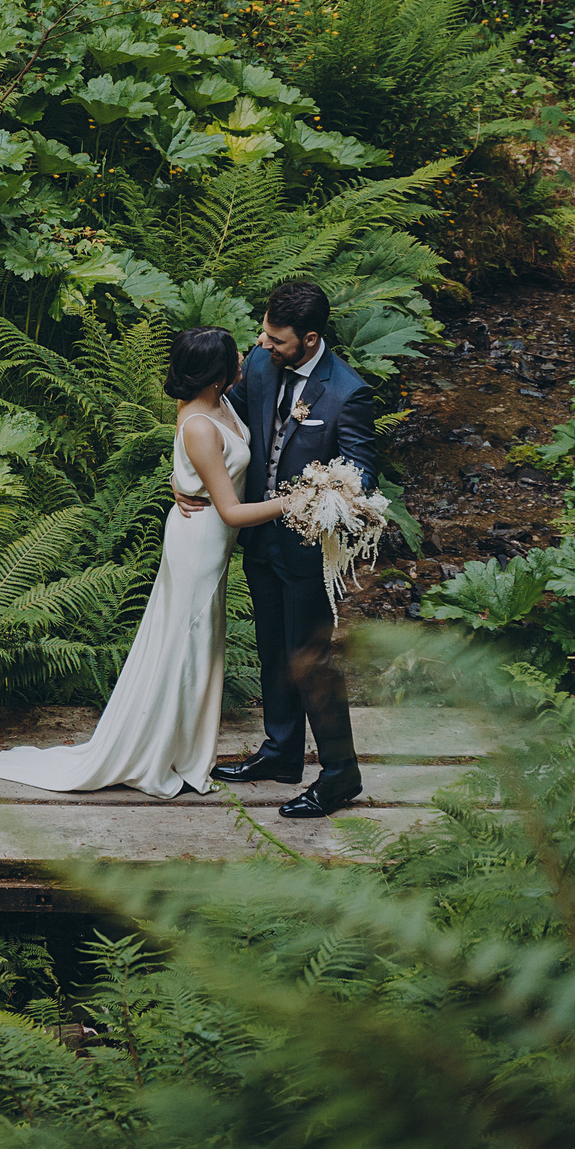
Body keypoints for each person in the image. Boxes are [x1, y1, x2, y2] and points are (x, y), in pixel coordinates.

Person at [0, 326, 299, 798]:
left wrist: (178, 481)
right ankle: (155, 750)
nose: (246, 359)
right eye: (236, 358)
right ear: (215, 374)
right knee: (185, 642)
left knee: (195, 644)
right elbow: (230, 510)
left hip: (206, 534)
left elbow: (193, 468)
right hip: (200, 541)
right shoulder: (201, 422)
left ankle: (180, 746)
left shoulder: (218, 403)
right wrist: (300, 501)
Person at [177, 278, 374, 817]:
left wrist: (322, 500)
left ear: (310, 340)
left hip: (309, 552)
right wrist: (189, 476)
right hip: (259, 540)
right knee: (271, 649)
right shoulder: (261, 368)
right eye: (262, 333)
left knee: (309, 659)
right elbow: (219, 425)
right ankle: (281, 753)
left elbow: (359, 475)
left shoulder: (347, 392)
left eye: (275, 338)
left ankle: (339, 774)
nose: (262, 345)